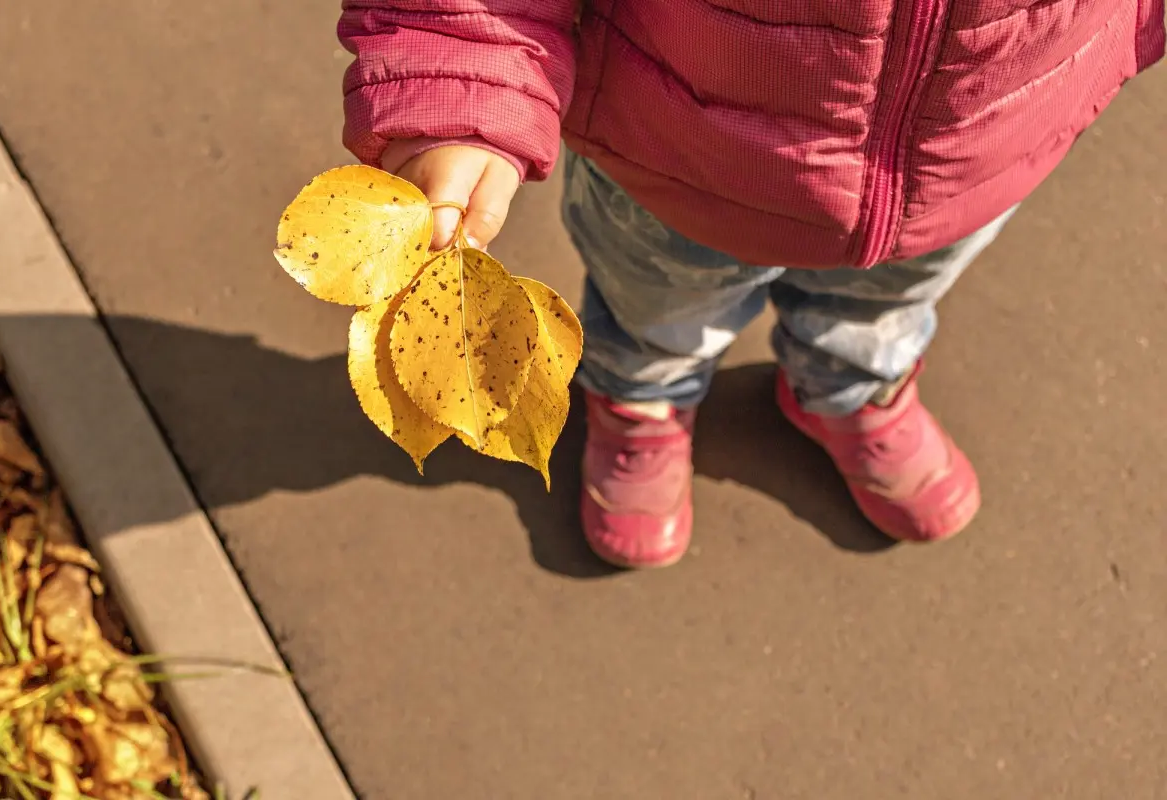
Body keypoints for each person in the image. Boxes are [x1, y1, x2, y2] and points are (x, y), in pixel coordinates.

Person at [337, 1, 1165, 568]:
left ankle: (849, 383)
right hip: (679, 148)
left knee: (888, 296)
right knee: (655, 304)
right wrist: (464, 73)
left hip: (981, 139)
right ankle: (641, 395)